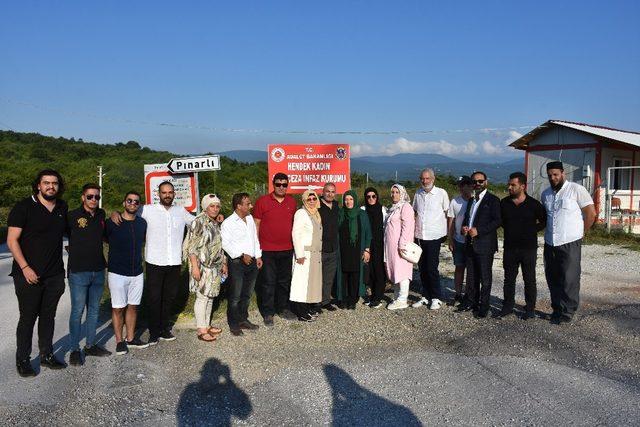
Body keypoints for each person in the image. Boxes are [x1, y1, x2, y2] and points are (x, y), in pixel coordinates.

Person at [112, 181, 195, 344]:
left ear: (174, 194)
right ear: (159, 194)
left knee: (169, 297)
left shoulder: (180, 211)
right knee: (154, 298)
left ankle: (165, 329)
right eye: (164, 192)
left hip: (174, 262)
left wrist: (215, 217)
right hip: (154, 261)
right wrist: (115, 212)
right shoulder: (147, 210)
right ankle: (153, 331)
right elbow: (129, 211)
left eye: (170, 192)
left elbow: (196, 222)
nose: (167, 195)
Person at [7, 170, 68, 377]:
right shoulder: (23, 207)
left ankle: (46, 355)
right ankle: (22, 360)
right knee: (28, 318)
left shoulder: (62, 207)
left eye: (55, 183)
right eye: (46, 183)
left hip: (54, 275)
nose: (51, 186)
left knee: (48, 317)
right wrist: (25, 267)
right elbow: (11, 241)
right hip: (27, 275)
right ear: (38, 186)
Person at [541, 161, 596, 324]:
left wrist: (581, 234)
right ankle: (557, 308)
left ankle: (568, 311)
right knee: (553, 276)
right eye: (550, 175)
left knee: (570, 277)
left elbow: (591, 214)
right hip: (550, 242)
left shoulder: (576, 190)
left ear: (563, 173)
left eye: (556, 174)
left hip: (570, 241)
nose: (553, 178)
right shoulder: (545, 194)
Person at [66, 183, 111, 365]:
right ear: (83, 197)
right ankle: (74, 349)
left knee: (93, 311)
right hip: (78, 272)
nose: (94, 200)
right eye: (90, 196)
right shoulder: (71, 216)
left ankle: (90, 345)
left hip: (98, 270)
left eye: (97, 197)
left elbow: (105, 234)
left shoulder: (101, 214)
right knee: (77, 311)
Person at [106, 191, 149, 355]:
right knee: (118, 308)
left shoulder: (142, 223)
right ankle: (119, 341)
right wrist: (113, 213)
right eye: (129, 201)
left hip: (137, 272)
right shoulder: (112, 222)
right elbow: (103, 238)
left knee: (133, 306)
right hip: (117, 272)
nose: (132, 203)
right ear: (124, 203)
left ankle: (131, 339)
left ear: (139, 206)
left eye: (136, 202)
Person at [499, 172, 546, 319]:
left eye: (513, 185)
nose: (510, 187)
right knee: (509, 279)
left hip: (529, 249)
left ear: (523, 186)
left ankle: (530, 308)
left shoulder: (534, 204)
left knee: (529, 279)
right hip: (510, 248)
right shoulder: (504, 203)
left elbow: (544, 221)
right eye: (509, 184)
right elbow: (498, 221)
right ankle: (507, 307)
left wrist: (532, 230)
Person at [253, 173, 297, 324]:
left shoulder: (292, 201)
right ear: (273, 184)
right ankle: (268, 311)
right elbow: (256, 225)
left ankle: (282, 308)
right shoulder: (262, 201)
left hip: (287, 248)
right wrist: (256, 249)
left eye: (284, 184)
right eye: (278, 184)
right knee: (268, 282)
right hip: (267, 249)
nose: (281, 187)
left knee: (284, 281)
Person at [183, 194, 228, 342]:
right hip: (202, 266)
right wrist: (195, 267)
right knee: (202, 297)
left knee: (210, 296)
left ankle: (207, 325)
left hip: (214, 265)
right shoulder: (199, 222)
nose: (215, 209)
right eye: (211, 206)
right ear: (205, 207)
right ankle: (201, 329)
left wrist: (223, 263)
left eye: (217, 206)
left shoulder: (214, 222)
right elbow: (192, 248)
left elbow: (218, 245)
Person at [458, 171, 501, 318]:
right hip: (470, 243)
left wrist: (479, 231)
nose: (477, 184)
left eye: (480, 181)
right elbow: (467, 219)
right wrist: (463, 228)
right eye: (474, 182)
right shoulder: (471, 200)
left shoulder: (493, 200)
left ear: (486, 182)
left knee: (485, 277)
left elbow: (497, 221)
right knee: (471, 276)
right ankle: (471, 301)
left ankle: (484, 306)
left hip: (485, 245)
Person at [221, 193, 263, 336]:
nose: (251, 206)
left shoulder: (250, 219)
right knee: (235, 296)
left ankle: (242, 319)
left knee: (247, 294)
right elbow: (225, 244)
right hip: (237, 263)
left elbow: (254, 239)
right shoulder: (228, 223)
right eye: (248, 204)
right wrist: (241, 255)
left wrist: (258, 255)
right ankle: (233, 324)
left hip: (251, 261)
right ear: (239, 206)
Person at [412, 168, 450, 310]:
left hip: (434, 236)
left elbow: (447, 213)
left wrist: (447, 233)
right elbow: (414, 212)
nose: (425, 181)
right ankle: (425, 295)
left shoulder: (441, 193)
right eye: (422, 178)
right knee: (422, 267)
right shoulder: (418, 193)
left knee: (432, 268)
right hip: (420, 236)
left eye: (427, 178)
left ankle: (436, 297)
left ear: (433, 179)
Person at [290, 190, 324, 321]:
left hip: (315, 254)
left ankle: (308, 308)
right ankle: (301, 313)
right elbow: (296, 233)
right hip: (304, 254)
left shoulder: (316, 214)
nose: (311, 201)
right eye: (309, 199)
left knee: (311, 284)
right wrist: (299, 254)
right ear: (304, 200)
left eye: (314, 198)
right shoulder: (301, 213)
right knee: (302, 284)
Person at [336, 190, 371, 309]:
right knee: (343, 275)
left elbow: (368, 233)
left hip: (357, 250)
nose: (348, 202)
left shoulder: (362, 214)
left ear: (355, 200)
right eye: (346, 199)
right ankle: (343, 298)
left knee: (355, 275)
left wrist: (367, 250)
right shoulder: (340, 213)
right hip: (343, 251)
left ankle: (353, 299)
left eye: (351, 199)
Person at [384, 184, 416, 310]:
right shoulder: (393, 208)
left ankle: (403, 299)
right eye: (392, 192)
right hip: (391, 247)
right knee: (396, 271)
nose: (394, 194)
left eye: (397, 192)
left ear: (402, 193)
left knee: (403, 272)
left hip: (400, 246)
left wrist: (402, 244)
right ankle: (397, 296)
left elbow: (407, 227)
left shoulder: (405, 207)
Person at [446, 176, 473, 306]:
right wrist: (450, 240)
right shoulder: (454, 202)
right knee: (459, 267)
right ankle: (458, 293)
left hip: (472, 241)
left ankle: (469, 294)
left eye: (464, 185)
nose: (461, 188)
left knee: (471, 270)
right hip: (458, 240)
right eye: (460, 185)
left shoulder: (475, 201)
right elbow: (450, 222)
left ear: (470, 186)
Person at [362, 187, 387, 309]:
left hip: (379, 245)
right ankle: (371, 295)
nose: (371, 199)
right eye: (368, 196)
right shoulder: (363, 210)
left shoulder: (382, 210)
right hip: (367, 245)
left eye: (373, 196)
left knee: (379, 270)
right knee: (369, 270)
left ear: (377, 197)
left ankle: (378, 297)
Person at [317, 183, 340, 312]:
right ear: (323, 192)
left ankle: (325, 301)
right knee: (317, 277)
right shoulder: (317, 206)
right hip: (320, 248)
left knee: (328, 277)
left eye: (332, 192)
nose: (330, 194)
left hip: (333, 248)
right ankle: (315, 303)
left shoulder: (336, 206)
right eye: (327, 191)